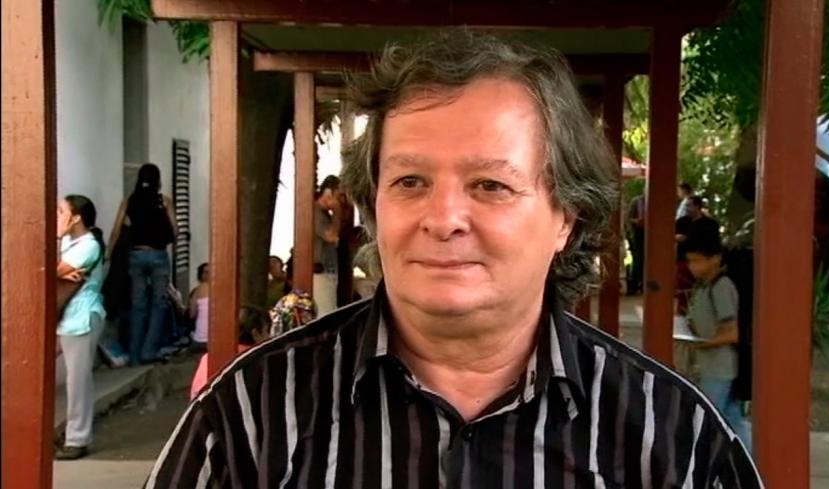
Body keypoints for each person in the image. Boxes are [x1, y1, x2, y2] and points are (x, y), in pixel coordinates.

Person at [146, 31, 761, 488]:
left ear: (566, 218)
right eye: (410, 181)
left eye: (490, 185)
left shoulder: (674, 438)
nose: (442, 219)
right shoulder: (248, 419)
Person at [685, 236, 753, 452]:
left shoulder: (721, 286)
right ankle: (748, 461)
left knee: (708, 420)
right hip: (712, 365)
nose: (692, 266)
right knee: (733, 418)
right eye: (690, 261)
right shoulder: (703, 287)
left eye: (697, 260)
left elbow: (733, 333)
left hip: (720, 367)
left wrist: (701, 344)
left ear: (715, 259)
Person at [108, 163, 177, 365]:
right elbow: (175, 230)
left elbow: (116, 230)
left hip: (136, 256)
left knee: (138, 305)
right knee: (159, 303)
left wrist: (109, 254)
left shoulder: (129, 201)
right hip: (158, 255)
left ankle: (135, 355)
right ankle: (149, 350)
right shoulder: (164, 201)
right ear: (158, 180)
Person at [55, 195, 107, 460]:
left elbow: (51, 269)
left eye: (61, 211)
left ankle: (77, 439)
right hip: (63, 318)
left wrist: (58, 269)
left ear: (76, 218)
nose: (56, 215)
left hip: (82, 318)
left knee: (78, 382)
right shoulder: (68, 243)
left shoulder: (88, 246)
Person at [189, 306, 271, 400]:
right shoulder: (258, 359)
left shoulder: (208, 357)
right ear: (255, 333)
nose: (269, 336)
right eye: (266, 330)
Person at [675, 196, 721, 316]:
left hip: (703, 260)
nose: (687, 208)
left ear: (697, 207)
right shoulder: (681, 222)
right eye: (686, 205)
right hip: (684, 260)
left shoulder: (709, 224)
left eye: (689, 205)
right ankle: (684, 311)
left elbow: (713, 243)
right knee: (684, 289)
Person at [313, 175, 342, 315]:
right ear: (328, 192)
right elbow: (331, 236)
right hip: (320, 272)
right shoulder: (315, 213)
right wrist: (337, 212)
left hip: (328, 271)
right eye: (338, 196)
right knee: (326, 313)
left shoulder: (325, 215)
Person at [169, 262, 210, 352]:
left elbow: (191, 315)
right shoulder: (222, 289)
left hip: (200, 340)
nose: (208, 275)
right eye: (206, 272)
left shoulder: (197, 291)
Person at [626, 193, 646, 295]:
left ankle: (643, 284)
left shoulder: (655, 202)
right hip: (637, 233)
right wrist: (636, 221)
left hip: (650, 232)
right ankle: (633, 285)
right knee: (638, 258)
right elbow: (629, 218)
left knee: (646, 259)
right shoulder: (636, 201)